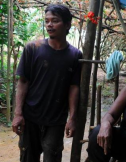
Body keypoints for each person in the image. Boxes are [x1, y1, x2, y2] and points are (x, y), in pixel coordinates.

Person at [12, 4, 82, 162]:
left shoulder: (75, 55)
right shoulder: (32, 48)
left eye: (55, 20)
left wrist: (72, 118)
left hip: (56, 120)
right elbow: (23, 82)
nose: (49, 24)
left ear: (67, 24)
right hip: (30, 118)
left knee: (52, 157)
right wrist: (18, 114)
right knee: (28, 157)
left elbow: (74, 87)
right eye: (47, 21)